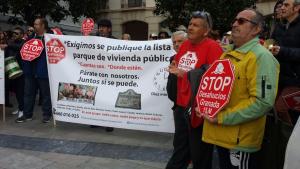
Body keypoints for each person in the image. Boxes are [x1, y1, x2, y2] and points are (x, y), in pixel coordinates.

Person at [198, 9, 279, 169]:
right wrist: (205, 105)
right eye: (235, 20)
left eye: (242, 21)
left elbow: (262, 102)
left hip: (239, 141)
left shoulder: (262, 57)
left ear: (256, 29)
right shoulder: (227, 55)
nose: (235, 24)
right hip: (221, 135)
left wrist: (221, 117)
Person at [168, 11, 223, 169]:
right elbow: (178, 69)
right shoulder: (185, 45)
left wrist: (185, 74)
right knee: (179, 150)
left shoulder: (213, 48)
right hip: (181, 107)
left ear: (205, 31)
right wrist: (175, 69)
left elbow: (215, 78)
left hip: (198, 110)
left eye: (195, 25)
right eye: (190, 24)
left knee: (200, 155)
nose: (190, 28)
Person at [270, 0, 300, 168]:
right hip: (278, 81)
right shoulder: (280, 26)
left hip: (295, 83)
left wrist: (282, 51)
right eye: (282, 5)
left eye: (286, 5)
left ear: (297, 8)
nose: (282, 7)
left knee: (283, 113)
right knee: (277, 115)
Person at [16, 17, 53, 123]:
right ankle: (27, 115)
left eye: (36, 24)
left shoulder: (51, 39)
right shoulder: (30, 38)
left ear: (43, 26)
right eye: (34, 24)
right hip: (30, 71)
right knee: (28, 94)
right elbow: (21, 50)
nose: (34, 26)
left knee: (46, 95)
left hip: (43, 71)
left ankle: (47, 115)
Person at [166, 30, 189, 169]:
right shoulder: (173, 58)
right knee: (180, 144)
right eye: (174, 42)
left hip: (188, 107)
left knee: (182, 147)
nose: (176, 44)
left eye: (180, 41)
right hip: (178, 107)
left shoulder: (192, 58)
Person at [93, 18, 115, 132]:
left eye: (103, 27)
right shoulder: (93, 40)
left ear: (109, 29)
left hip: (110, 76)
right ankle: (96, 120)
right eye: (99, 27)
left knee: (109, 99)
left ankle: (109, 122)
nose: (100, 29)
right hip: (96, 75)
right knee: (97, 97)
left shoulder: (116, 41)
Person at [0, 27, 25, 117]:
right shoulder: (11, 42)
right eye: (13, 33)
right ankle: (20, 108)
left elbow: (20, 47)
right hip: (10, 72)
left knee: (20, 92)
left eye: (17, 33)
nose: (14, 34)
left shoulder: (23, 43)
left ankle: (22, 110)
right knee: (15, 92)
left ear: (22, 35)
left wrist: (7, 45)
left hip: (20, 72)